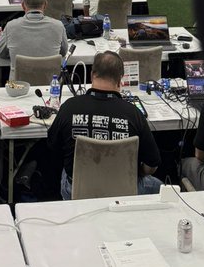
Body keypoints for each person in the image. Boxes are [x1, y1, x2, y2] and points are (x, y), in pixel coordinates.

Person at [47, 51, 162, 199]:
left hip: (77, 190)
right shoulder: (134, 114)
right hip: (124, 191)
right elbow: (152, 165)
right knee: (161, 187)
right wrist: (136, 173)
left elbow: (52, 147)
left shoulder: (69, 107)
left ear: (92, 74)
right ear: (120, 79)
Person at [0, 0, 67, 79]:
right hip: (51, 88)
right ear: (45, 5)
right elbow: (64, 52)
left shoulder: (11, 26)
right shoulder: (58, 26)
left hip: (18, 88)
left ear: (23, 5)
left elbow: (0, 53)